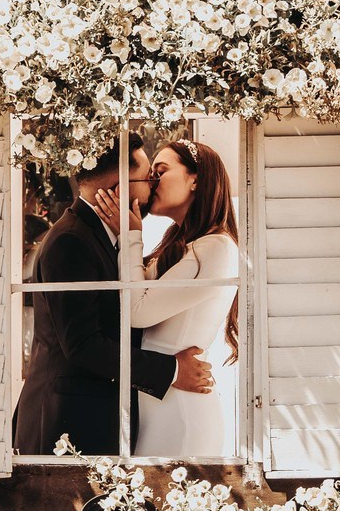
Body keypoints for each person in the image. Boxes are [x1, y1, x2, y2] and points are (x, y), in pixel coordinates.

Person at [14, 141, 214, 456]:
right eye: (147, 178)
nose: (153, 185)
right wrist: (171, 371)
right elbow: (83, 344)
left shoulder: (102, 236)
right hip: (68, 423)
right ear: (121, 189)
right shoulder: (71, 241)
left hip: (94, 418)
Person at [87, 137, 241, 457]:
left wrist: (131, 237)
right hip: (158, 401)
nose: (152, 180)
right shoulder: (182, 245)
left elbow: (137, 311)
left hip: (181, 413)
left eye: (161, 170)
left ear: (195, 179)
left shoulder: (215, 248)